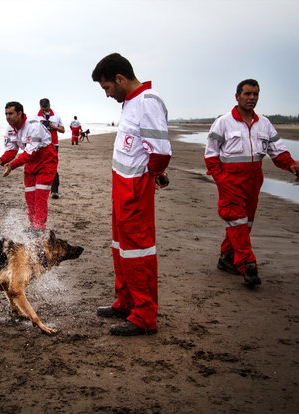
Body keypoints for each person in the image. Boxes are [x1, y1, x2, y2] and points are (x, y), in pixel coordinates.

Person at [91, 53, 171, 336]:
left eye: (107, 87)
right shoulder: (130, 102)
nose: (107, 94)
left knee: (138, 250)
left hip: (135, 187)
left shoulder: (148, 101)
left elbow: (160, 151)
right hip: (122, 185)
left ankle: (144, 316)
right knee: (120, 246)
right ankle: (125, 301)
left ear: (120, 79)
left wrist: (154, 174)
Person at [204, 79, 299, 287]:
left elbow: (277, 148)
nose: (252, 98)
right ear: (237, 96)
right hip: (230, 180)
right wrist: (220, 179)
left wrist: (290, 164)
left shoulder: (264, 123)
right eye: (247, 94)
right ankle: (248, 267)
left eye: (255, 94)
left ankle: (226, 258)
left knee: (245, 223)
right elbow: (211, 155)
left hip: (254, 180)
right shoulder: (223, 122)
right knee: (237, 221)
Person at [0, 101, 58, 233]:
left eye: (11, 113)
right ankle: (33, 226)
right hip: (30, 162)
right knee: (30, 197)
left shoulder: (33, 126)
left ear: (19, 113)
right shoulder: (9, 129)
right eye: (6, 114)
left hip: (46, 159)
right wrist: (2, 160)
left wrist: (12, 165)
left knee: (40, 197)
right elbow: (12, 150)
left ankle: (39, 229)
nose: (8, 117)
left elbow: (30, 151)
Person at [35, 98, 65, 199]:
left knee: (53, 167)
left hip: (53, 144)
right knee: (41, 167)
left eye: (46, 108)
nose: (44, 110)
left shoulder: (56, 115)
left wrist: (54, 127)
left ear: (49, 105)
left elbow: (63, 130)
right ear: (40, 107)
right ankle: (42, 189)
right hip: (41, 145)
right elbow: (32, 131)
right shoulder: (36, 116)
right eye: (42, 109)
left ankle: (55, 191)